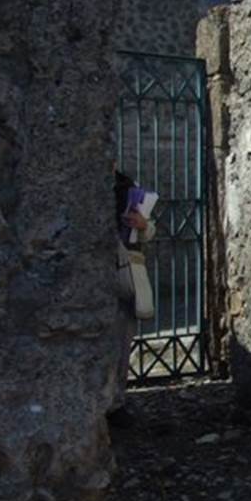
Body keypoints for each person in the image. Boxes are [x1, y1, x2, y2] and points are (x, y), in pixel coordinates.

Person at [110, 165, 156, 426]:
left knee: (123, 339)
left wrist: (143, 225)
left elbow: (149, 231)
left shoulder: (127, 187)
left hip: (127, 269)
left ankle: (117, 402)